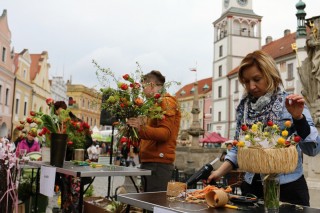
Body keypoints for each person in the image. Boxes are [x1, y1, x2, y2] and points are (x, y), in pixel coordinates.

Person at [207, 50, 320, 206]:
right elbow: (238, 147)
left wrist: (298, 118)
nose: (251, 86)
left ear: (271, 75)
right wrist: (219, 172)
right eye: (246, 81)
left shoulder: (290, 104)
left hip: (287, 187)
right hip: (252, 187)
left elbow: (313, 149)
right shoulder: (244, 108)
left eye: (257, 79)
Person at [127, 70, 181, 192]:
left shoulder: (166, 101)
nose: (142, 91)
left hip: (158, 163)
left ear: (151, 85)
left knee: (153, 205)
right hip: (153, 161)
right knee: (149, 205)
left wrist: (141, 129)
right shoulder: (156, 104)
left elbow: (165, 134)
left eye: (143, 87)